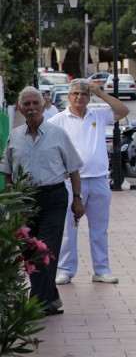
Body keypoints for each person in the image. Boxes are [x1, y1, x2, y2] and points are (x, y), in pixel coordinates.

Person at [0, 87, 84, 315]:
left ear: (44, 105)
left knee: (45, 250)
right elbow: (7, 171)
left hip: (54, 198)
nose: (31, 108)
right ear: (19, 107)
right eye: (26, 104)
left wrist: (77, 199)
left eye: (35, 103)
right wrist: (10, 199)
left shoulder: (58, 134)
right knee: (29, 252)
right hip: (24, 201)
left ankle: (35, 306)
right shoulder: (15, 135)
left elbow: (74, 170)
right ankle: (52, 298)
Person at [50, 79, 129, 285]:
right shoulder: (58, 120)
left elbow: (123, 111)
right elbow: (48, 149)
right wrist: (59, 170)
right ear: (69, 96)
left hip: (99, 179)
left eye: (84, 94)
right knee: (69, 228)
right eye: (75, 94)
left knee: (99, 229)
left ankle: (101, 270)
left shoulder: (98, 114)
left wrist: (101, 94)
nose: (79, 97)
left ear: (88, 97)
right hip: (71, 183)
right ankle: (65, 269)